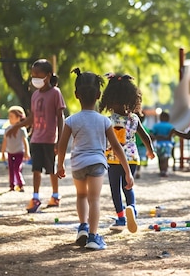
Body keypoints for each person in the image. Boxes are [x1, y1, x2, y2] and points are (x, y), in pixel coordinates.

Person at [57, 68, 133, 250]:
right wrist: (127, 171)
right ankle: (93, 237)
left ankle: (82, 226)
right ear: (99, 95)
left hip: (78, 164)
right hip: (97, 163)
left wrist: (59, 165)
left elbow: (61, 145)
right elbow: (117, 147)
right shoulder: (104, 121)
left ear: (76, 95)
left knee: (81, 196)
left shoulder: (71, 120)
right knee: (94, 200)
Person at [5, 59, 66, 213]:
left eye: (38, 74)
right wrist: (17, 126)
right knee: (36, 169)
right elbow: (32, 117)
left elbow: (60, 116)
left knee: (51, 169)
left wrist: (60, 139)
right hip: (36, 138)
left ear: (48, 75)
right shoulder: (35, 95)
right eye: (33, 75)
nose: (35, 78)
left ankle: (55, 195)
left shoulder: (55, 93)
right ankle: (35, 197)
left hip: (50, 138)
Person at [99, 73, 155, 233]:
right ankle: (132, 209)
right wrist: (150, 151)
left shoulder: (108, 120)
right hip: (131, 159)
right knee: (128, 187)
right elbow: (146, 137)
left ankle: (121, 218)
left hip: (112, 159)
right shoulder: (134, 119)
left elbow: (102, 140)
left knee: (115, 189)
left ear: (109, 100)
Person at [1, 106, 30, 191]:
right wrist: (3, 152)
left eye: (12, 117)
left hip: (19, 152)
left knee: (17, 168)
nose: (9, 118)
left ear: (18, 118)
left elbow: (25, 141)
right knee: (11, 169)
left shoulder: (21, 129)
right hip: (10, 152)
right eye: (9, 116)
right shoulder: (7, 129)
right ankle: (11, 185)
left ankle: (20, 184)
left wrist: (27, 151)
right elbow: (5, 141)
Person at [150, 111, 175, 177]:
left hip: (159, 144)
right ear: (168, 118)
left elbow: (152, 134)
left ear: (160, 118)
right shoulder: (170, 126)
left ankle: (161, 171)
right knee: (166, 158)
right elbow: (173, 135)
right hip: (168, 144)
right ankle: (165, 171)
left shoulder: (156, 126)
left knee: (160, 158)